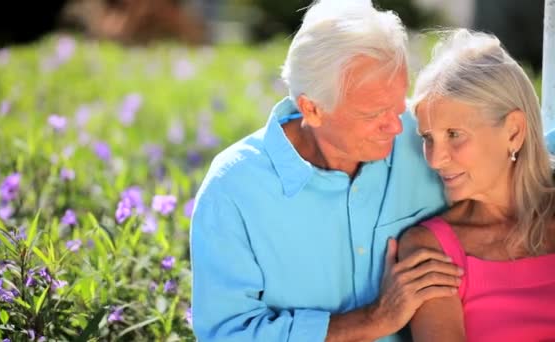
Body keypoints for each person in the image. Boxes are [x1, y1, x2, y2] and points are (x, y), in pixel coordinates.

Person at [189, 1, 465, 341]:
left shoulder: (426, 141)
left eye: (398, 106)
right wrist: (375, 319)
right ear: (312, 109)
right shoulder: (233, 189)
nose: (396, 127)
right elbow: (227, 333)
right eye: (374, 114)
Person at [400, 29, 555, 341]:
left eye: (454, 134)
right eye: (428, 139)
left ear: (513, 131)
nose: (435, 159)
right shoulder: (431, 251)